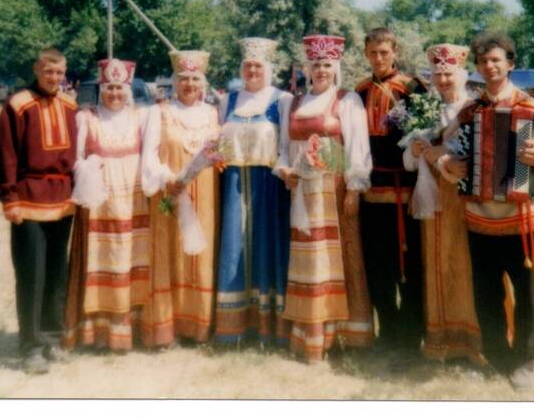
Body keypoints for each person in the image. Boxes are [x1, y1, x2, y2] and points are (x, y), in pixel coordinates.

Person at [455, 32, 534, 390]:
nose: (489, 67)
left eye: (496, 60)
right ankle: (495, 355)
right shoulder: (469, 111)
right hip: (479, 217)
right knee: (486, 291)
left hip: (521, 218)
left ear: (510, 64)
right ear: (477, 66)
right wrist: (448, 164)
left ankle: (526, 359)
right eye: (483, 61)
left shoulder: (530, 107)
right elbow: (449, 149)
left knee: (526, 291)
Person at [275, 34, 374, 362]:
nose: (321, 70)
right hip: (303, 192)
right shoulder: (292, 102)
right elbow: (281, 150)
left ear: (336, 67)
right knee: (310, 258)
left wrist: (356, 190)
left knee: (342, 259)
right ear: (307, 67)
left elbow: (358, 148)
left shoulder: (347, 100)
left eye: (327, 64)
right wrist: (285, 171)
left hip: (337, 189)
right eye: (315, 64)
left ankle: (346, 333)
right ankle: (312, 331)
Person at [0, 48, 78, 374]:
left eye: (59, 72)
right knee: (31, 275)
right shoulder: (18, 104)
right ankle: (31, 346)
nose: (54, 78)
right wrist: (9, 198)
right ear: (37, 70)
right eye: (48, 71)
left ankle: (52, 338)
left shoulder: (70, 106)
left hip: (63, 202)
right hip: (27, 200)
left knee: (56, 274)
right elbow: (5, 153)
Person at [63, 58, 158, 352]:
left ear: (128, 89)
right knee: (102, 260)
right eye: (109, 88)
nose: (114, 93)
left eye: (119, 87)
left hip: (133, 202)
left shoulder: (141, 117)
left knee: (132, 259)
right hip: (100, 203)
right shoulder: (87, 118)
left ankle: (132, 326)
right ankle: (98, 329)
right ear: (101, 88)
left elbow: (150, 157)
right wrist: (89, 166)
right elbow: (75, 161)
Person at [404, 44, 483, 366]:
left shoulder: (475, 109)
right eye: (437, 73)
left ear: (462, 75)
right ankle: (442, 342)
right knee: (437, 265)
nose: (443, 78)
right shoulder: (425, 110)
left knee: (465, 267)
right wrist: (417, 149)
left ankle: (473, 343)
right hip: (433, 202)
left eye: (449, 72)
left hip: (464, 200)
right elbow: (408, 164)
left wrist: (447, 158)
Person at [215, 38, 294, 348]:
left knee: (266, 247)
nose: (252, 70)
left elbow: (285, 146)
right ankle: (234, 327)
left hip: (269, 186)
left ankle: (269, 326)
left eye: (258, 65)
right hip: (234, 183)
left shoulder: (282, 100)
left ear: (268, 68)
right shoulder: (228, 101)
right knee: (235, 249)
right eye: (247, 65)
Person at [354, 26, 426, 362]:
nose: (379, 58)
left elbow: (427, 134)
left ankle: (412, 337)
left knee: (408, 265)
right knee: (378, 266)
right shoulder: (358, 91)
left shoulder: (413, 88)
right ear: (366, 54)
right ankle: (388, 331)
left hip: (405, 191)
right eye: (373, 53)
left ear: (394, 51)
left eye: (384, 52)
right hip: (372, 192)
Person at [141, 50, 220, 348]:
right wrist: (167, 178)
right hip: (170, 194)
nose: (189, 84)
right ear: (174, 82)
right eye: (183, 79)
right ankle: (166, 326)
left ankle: (198, 326)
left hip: (206, 198)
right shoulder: (158, 112)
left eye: (195, 79)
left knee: (201, 257)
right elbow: (148, 155)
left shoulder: (213, 114)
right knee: (169, 253)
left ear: (203, 82)